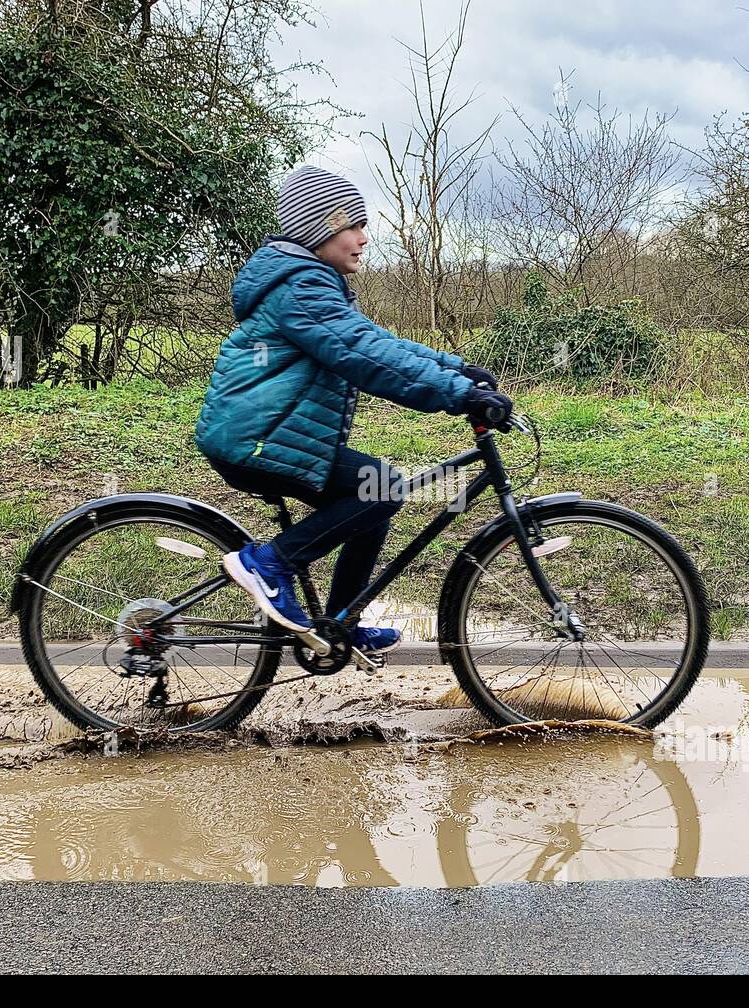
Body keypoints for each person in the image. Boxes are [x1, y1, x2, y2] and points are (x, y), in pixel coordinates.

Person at [195, 165, 512, 652]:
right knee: (381, 490)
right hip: (256, 440)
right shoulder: (300, 288)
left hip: (269, 436)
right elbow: (362, 357)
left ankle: (340, 623)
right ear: (319, 228)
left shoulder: (310, 283)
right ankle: (268, 563)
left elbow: (375, 342)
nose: (364, 238)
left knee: (376, 496)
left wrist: (458, 369)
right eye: (353, 226)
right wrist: (458, 396)